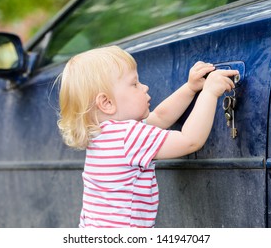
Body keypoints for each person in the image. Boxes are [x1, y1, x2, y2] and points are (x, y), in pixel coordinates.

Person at [58, 45, 238, 228]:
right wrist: (209, 92)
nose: (145, 87)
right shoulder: (128, 136)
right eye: (134, 84)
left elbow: (160, 116)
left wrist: (190, 88)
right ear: (107, 102)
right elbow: (190, 141)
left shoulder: (103, 135)